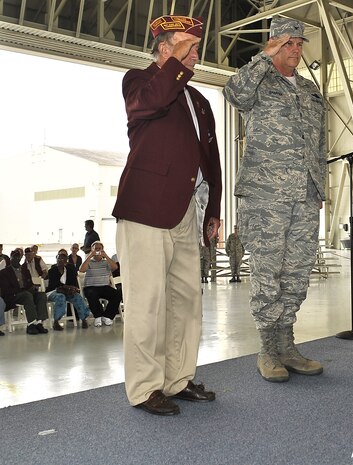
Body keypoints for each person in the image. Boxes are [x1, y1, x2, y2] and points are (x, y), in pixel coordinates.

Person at [113, 14, 222, 416]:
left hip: (186, 213)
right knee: (147, 302)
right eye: (189, 48)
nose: (196, 56)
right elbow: (152, 102)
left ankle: (177, 379)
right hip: (145, 209)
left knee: (186, 301)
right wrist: (174, 63)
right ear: (165, 50)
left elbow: (210, 159)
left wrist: (213, 208)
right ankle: (144, 388)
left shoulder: (198, 100)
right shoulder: (139, 82)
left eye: (196, 49)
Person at [224, 16, 326, 383]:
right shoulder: (258, 81)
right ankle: (267, 349)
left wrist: (320, 190)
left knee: (297, 273)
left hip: (304, 196)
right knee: (268, 273)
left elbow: (320, 146)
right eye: (287, 43)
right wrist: (262, 58)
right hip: (265, 197)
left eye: (299, 44)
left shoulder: (312, 92)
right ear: (273, 45)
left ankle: (287, 345)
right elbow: (233, 94)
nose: (295, 50)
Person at [0, 249, 49, 334]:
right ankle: (31, 324)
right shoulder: (4, 272)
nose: (16, 259)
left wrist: (33, 287)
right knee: (27, 295)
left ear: (20, 258)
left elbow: (29, 283)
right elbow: (6, 289)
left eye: (18, 257)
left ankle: (39, 323)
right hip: (13, 295)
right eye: (14, 257)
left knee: (41, 295)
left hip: (26, 292)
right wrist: (23, 291)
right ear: (11, 258)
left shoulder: (25, 270)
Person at [79, 241, 121, 327]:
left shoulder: (106, 262)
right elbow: (81, 270)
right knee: (91, 294)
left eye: (99, 249)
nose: (97, 250)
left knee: (117, 294)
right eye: (95, 249)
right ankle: (98, 316)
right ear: (92, 249)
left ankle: (107, 316)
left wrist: (106, 256)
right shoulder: (89, 261)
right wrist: (90, 256)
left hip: (104, 286)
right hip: (91, 287)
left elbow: (115, 267)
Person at [47, 251, 90, 329]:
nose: (60, 260)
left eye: (62, 259)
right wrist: (66, 287)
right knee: (60, 297)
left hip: (67, 292)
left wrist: (73, 289)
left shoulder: (69, 270)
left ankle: (84, 319)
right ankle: (56, 321)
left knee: (77, 297)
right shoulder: (52, 271)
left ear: (66, 261)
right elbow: (54, 285)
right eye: (58, 258)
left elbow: (74, 283)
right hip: (54, 292)